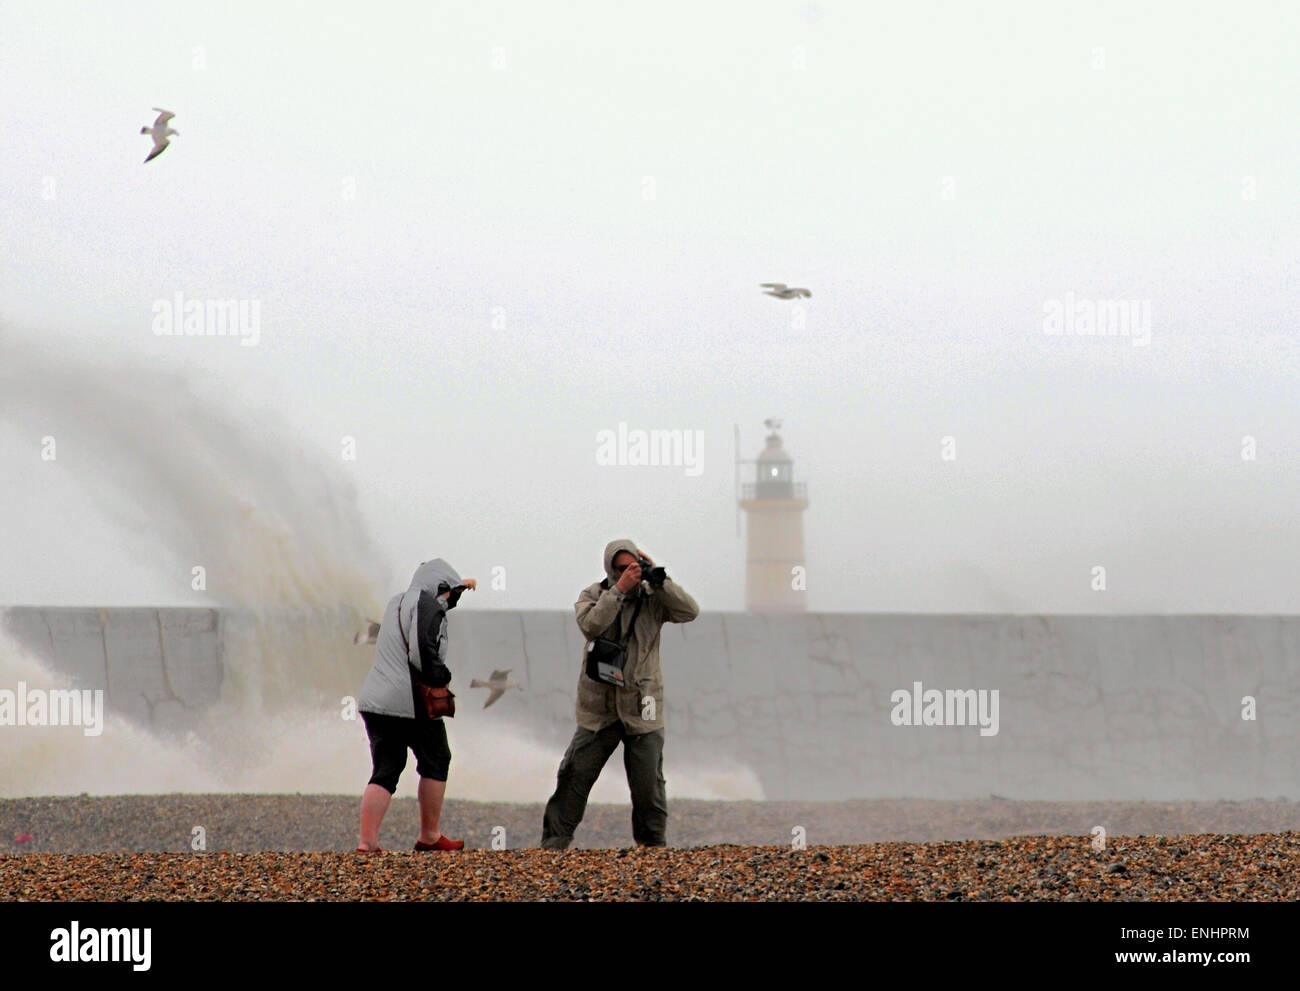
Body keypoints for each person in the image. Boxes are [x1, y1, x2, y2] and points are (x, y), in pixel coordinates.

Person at [540, 539, 699, 849]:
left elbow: (689, 611)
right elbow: (591, 625)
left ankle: (652, 847)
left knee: (648, 785)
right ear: (611, 570)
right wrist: (618, 592)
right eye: (622, 568)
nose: (630, 573)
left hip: (644, 705)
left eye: (634, 566)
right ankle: (553, 844)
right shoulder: (595, 595)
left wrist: (660, 579)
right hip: (599, 706)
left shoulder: (654, 598)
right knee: (574, 774)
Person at [355, 558, 476, 853]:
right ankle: (430, 835)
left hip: (376, 701)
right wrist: (442, 677)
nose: (452, 600)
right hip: (408, 701)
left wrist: (462, 582)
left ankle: (367, 842)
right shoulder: (427, 605)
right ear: (440, 588)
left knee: (385, 768)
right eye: (452, 594)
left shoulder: (397, 602)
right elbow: (421, 650)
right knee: (436, 758)